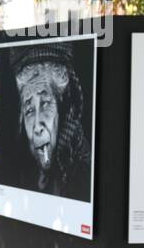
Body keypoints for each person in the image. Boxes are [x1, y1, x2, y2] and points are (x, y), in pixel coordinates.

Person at [11, 43, 91, 200]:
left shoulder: (83, 170)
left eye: (45, 103)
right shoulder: (25, 174)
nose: (37, 127)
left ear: (62, 106)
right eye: (29, 110)